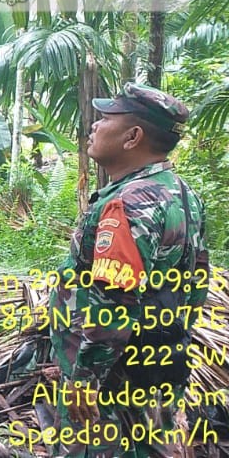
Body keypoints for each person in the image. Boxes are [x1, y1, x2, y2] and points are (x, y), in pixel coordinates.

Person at [49, 83, 209, 457]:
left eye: (105, 119)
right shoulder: (181, 193)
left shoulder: (128, 203)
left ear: (132, 137)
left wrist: (85, 379)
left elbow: (114, 300)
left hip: (111, 378)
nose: (94, 126)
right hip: (159, 363)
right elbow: (197, 278)